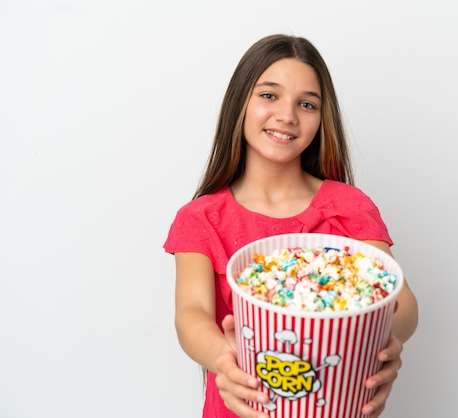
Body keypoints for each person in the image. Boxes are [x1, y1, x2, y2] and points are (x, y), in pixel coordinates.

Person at [164, 34, 418, 418]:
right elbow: (191, 312)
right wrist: (224, 358)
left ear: (321, 117)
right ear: (240, 103)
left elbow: (403, 303)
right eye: (269, 95)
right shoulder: (202, 218)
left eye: (306, 104)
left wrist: (382, 341)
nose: (287, 115)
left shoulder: (348, 206)